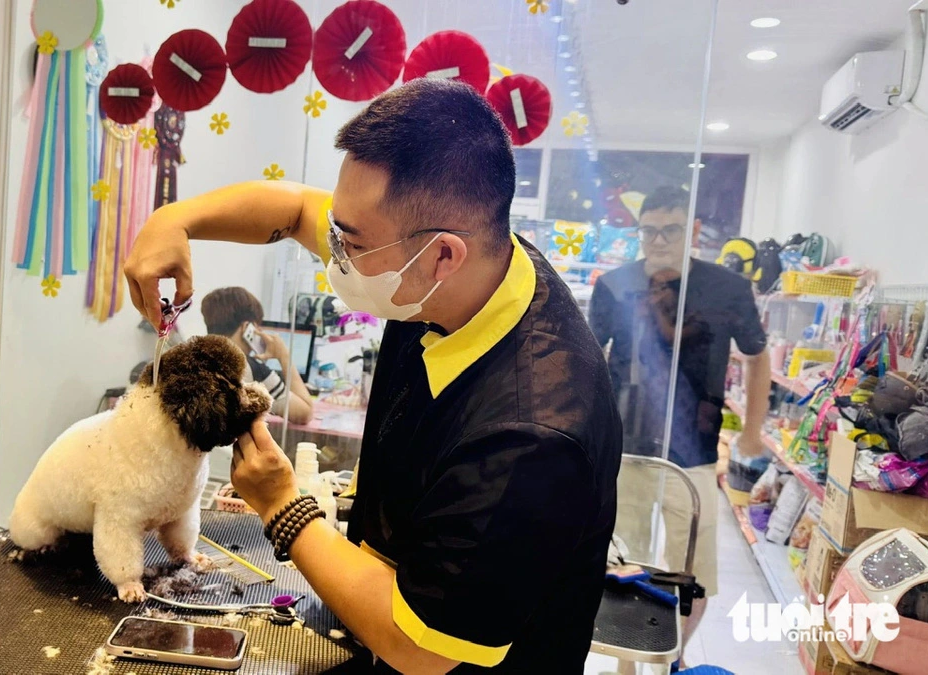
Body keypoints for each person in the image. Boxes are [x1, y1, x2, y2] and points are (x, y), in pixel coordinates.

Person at [125, 79, 621, 674]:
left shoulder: (532, 433)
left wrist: (282, 506)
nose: (332, 251)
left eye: (350, 242)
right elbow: (291, 209)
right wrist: (173, 220)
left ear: (442, 255)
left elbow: (419, 646)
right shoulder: (474, 269)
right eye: (337, 230)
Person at [588, 186, 771, 667]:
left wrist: (752, 430)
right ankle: (627, 661)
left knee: (695, 569)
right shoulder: (614, 285)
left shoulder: (727, 288)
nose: (658, 241)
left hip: (694, 453)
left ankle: (674, 657)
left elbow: (757, 356)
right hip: (626, 448)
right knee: (621, 563)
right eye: (649, 231)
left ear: (692, 231)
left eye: (670, 230)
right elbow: (588, 361)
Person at [200, 286, 315, 425]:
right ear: (246, 327)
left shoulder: (192, 356)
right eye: (257, 326)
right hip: (231, 446)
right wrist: (284, 356)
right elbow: (304, 413)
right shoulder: (252, 369)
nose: (259, 331)